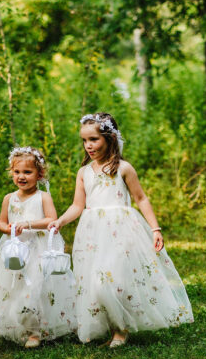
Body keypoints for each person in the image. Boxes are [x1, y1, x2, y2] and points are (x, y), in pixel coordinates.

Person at [50, 113, 193, 347]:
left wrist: (155, 229)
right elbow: (77, 205)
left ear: (109, 138)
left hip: (120, 230)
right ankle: (108, 325)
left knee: (113, 278)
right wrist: (60, 221)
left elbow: (141, 198)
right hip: (92, 234)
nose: (88, 146)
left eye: (94, 139)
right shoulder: (84, 172)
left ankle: (121, 329)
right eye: (84, 141)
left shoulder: (123, 168)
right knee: (95, 281)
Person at [0, 146, 77, 348]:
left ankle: (36, 332)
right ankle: (22, 325)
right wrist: (8, 228)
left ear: (39, 174)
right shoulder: (9, 198)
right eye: (17, 172)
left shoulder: (43, 197)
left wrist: (28, 224)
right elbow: (1, 222)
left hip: (38, 247)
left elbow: (51, 219)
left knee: (36, 287)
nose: (21, 176)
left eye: (27, 172)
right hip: (16, 249)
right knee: (16, 288)